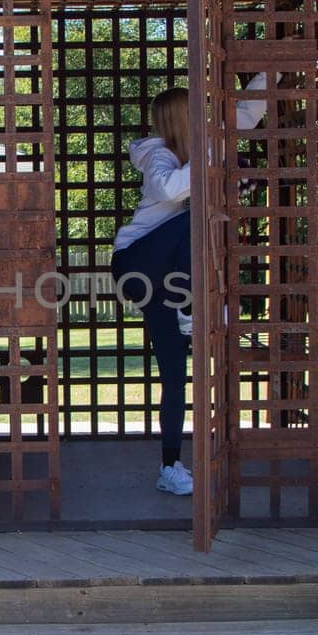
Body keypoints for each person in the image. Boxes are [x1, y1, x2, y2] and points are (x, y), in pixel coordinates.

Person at [110, 76, 269, 496]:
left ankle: (169, 467)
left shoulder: (196, 149)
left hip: (167, 280)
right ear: (183, 117)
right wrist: (216, 151)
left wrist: (271, 70)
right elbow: (170, 187)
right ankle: (192, 308)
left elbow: (246, 114)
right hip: (139, 265)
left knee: (175, 376)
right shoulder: (156, 156)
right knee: (198, 214)